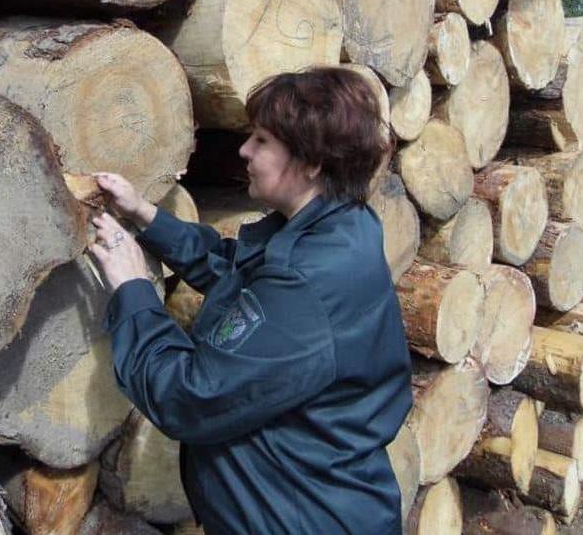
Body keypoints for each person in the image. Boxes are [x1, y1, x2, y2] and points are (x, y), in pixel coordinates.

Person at [89, 67, 413, 534]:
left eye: (261, 140)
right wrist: (146, 216)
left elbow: (190, 397)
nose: (244, 150)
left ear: (312, 162)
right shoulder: (337, 227)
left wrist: (133, 289)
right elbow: (239, 280)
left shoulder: (310, 280)